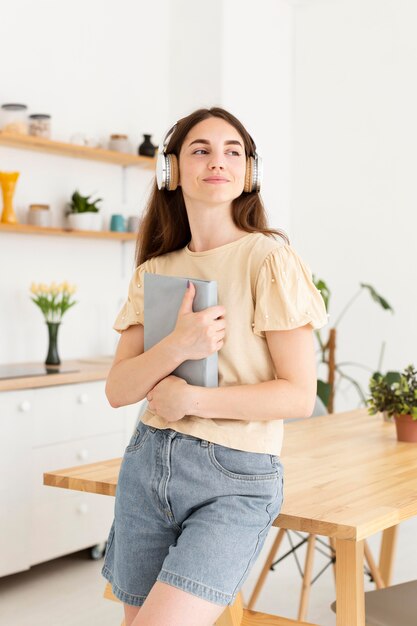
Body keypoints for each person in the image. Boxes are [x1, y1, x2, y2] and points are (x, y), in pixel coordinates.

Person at [101, 107, 328, 626]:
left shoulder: (269, 258)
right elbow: (119, 389)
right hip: (148, 463)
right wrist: (178, 345)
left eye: (233, 151)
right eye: (200, 149)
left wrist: (192, 399)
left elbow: (298, 395)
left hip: (235, 475)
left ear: (250, 171)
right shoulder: (155, 270)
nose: (218, 161)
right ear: (172, 169)